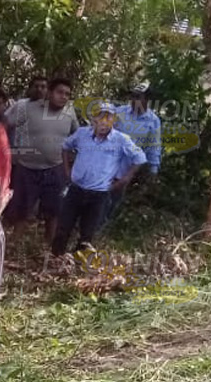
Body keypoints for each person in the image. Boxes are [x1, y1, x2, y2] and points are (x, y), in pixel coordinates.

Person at [51, 102, 147, 258]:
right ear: (94, 119)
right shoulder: (82, 134)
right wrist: (67, 170)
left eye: (108, 118)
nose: (104, 122)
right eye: (100, 117)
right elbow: (65, 146)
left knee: (87, 234)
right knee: (63, 228)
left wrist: (124, 179)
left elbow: (140, 157)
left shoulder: (121, 139)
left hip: (99, 194)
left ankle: (76, 266)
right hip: (75, 190)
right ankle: (55, 259)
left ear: (114, 121)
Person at [2, 78, 80, 247]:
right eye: (60, 92)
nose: (64, 97)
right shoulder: (26, 107)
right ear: (49, 93)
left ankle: (49, 245)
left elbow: (77, 135)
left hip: (55, 168)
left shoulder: (69, 111)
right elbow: (4, 124)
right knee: (22, 209)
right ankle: (16, 244)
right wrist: (5, 148)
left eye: (67, 94)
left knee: (54, 210)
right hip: (27, 168)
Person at [105, 82, 162, 228]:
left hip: (126, 169)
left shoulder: (153, 121)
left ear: (147, 100)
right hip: (105, 162)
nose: (133, 100)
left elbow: (153, 147)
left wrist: (153, 171)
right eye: (132, 96)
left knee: (112, 200)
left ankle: (100, 229)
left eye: (138, 97)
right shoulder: (119, 112)